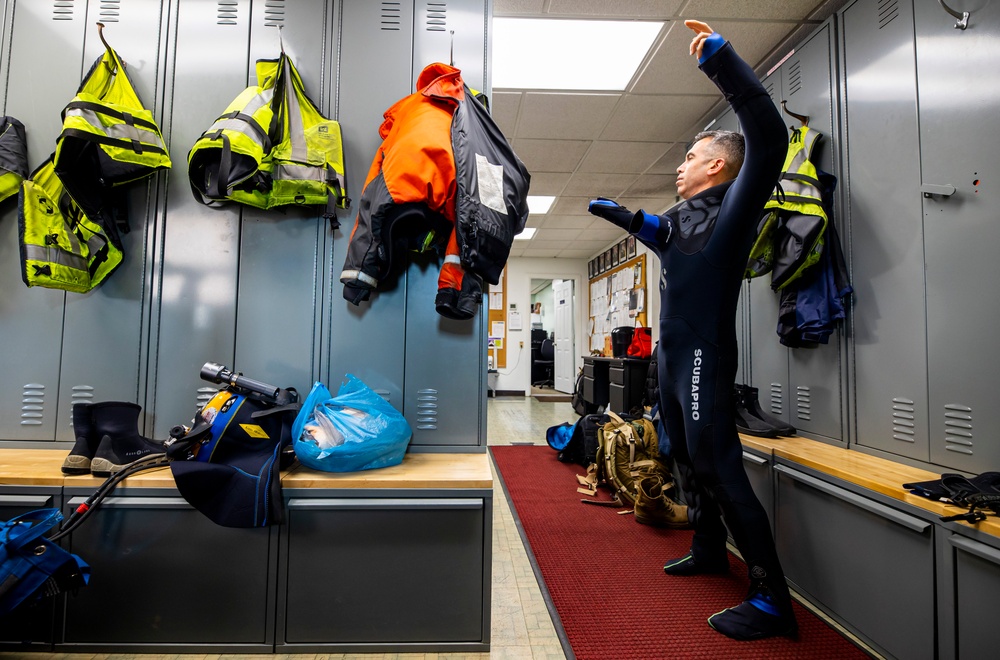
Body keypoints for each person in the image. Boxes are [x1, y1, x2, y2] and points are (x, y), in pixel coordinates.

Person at [588, 20, 795, 640]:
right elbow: (665, 238)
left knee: (717, 462)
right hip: (673, 362)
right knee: (681, 452)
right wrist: (625, 217)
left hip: (704, 355)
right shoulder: (682, 221)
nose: (680, 165)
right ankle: (709, 548)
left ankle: (770, 598)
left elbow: (770, 135)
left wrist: (722, 61)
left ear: (716, 164)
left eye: (688, 156)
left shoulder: (736, 205)